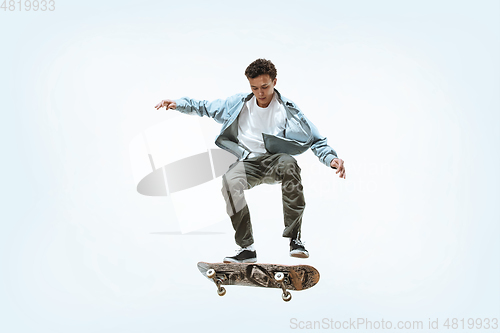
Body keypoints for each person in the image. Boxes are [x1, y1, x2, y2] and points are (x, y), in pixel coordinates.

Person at [154, 58, 346, 263]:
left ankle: (295, 239)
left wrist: (331, 159)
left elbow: (315, 139)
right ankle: (246, 248)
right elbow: (205, 107)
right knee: (229, 181)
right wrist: (178, 104)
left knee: (289, 163)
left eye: (265, 86)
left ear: (275, 82)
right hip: (248, 163)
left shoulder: (289, 110)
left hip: (275, 161)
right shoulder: (238, 104)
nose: (260, 94)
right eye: (254, 88)